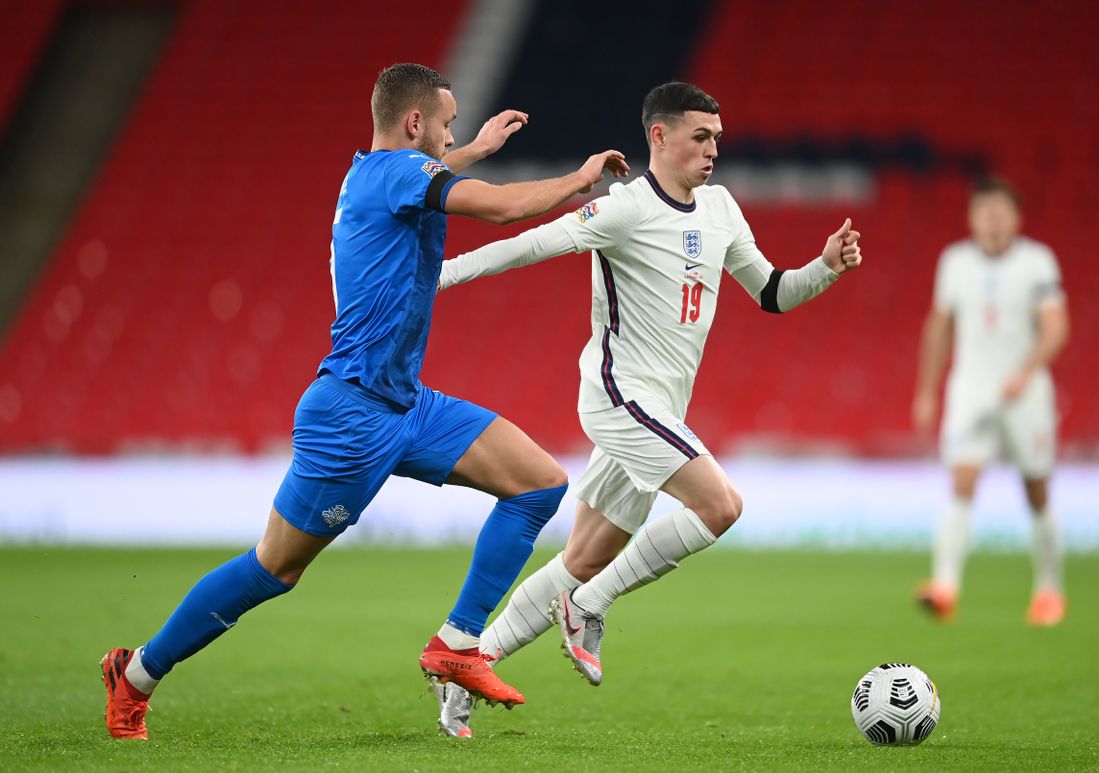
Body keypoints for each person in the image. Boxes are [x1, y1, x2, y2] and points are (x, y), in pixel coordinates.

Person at [100, 63, 630, 740]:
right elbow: (499, 207)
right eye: (446, 125)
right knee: (274, 568)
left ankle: (456, 644)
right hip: (351, 415)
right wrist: (580, 180)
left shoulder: (370, 173)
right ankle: (136, 672)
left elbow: (423, 175)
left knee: (538, 483)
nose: (449, 136)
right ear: (415, 124)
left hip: (405, 404)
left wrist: (472, 150)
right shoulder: (401, 176)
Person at [429, 82, 863, 737]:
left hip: (659, 406)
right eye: (700, 136)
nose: (713, 149)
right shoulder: (625, 208)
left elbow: (773, 293)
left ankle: (469, 663)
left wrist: (825, 267)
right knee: (720, 506)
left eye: (717, 136)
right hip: (618, 394)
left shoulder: (720, 208)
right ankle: (590, 607)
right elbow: (532, 244)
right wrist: (439, 275)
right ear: (659, 137)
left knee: (582, 556)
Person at [912, 177, 1069, 626]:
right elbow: (938, 327)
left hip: (1026, 393)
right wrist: (926, 390)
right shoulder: (955, 261)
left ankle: (1049, 591)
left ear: (1017, 218)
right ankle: (944, 588)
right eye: (985, 212)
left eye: (1001, 212)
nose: (993, 221)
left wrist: (1026, 371)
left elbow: (1056, 326)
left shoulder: (1037, 261)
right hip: (971, 391)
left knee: (1036, 490)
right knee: (961, 483)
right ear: (972, 218)